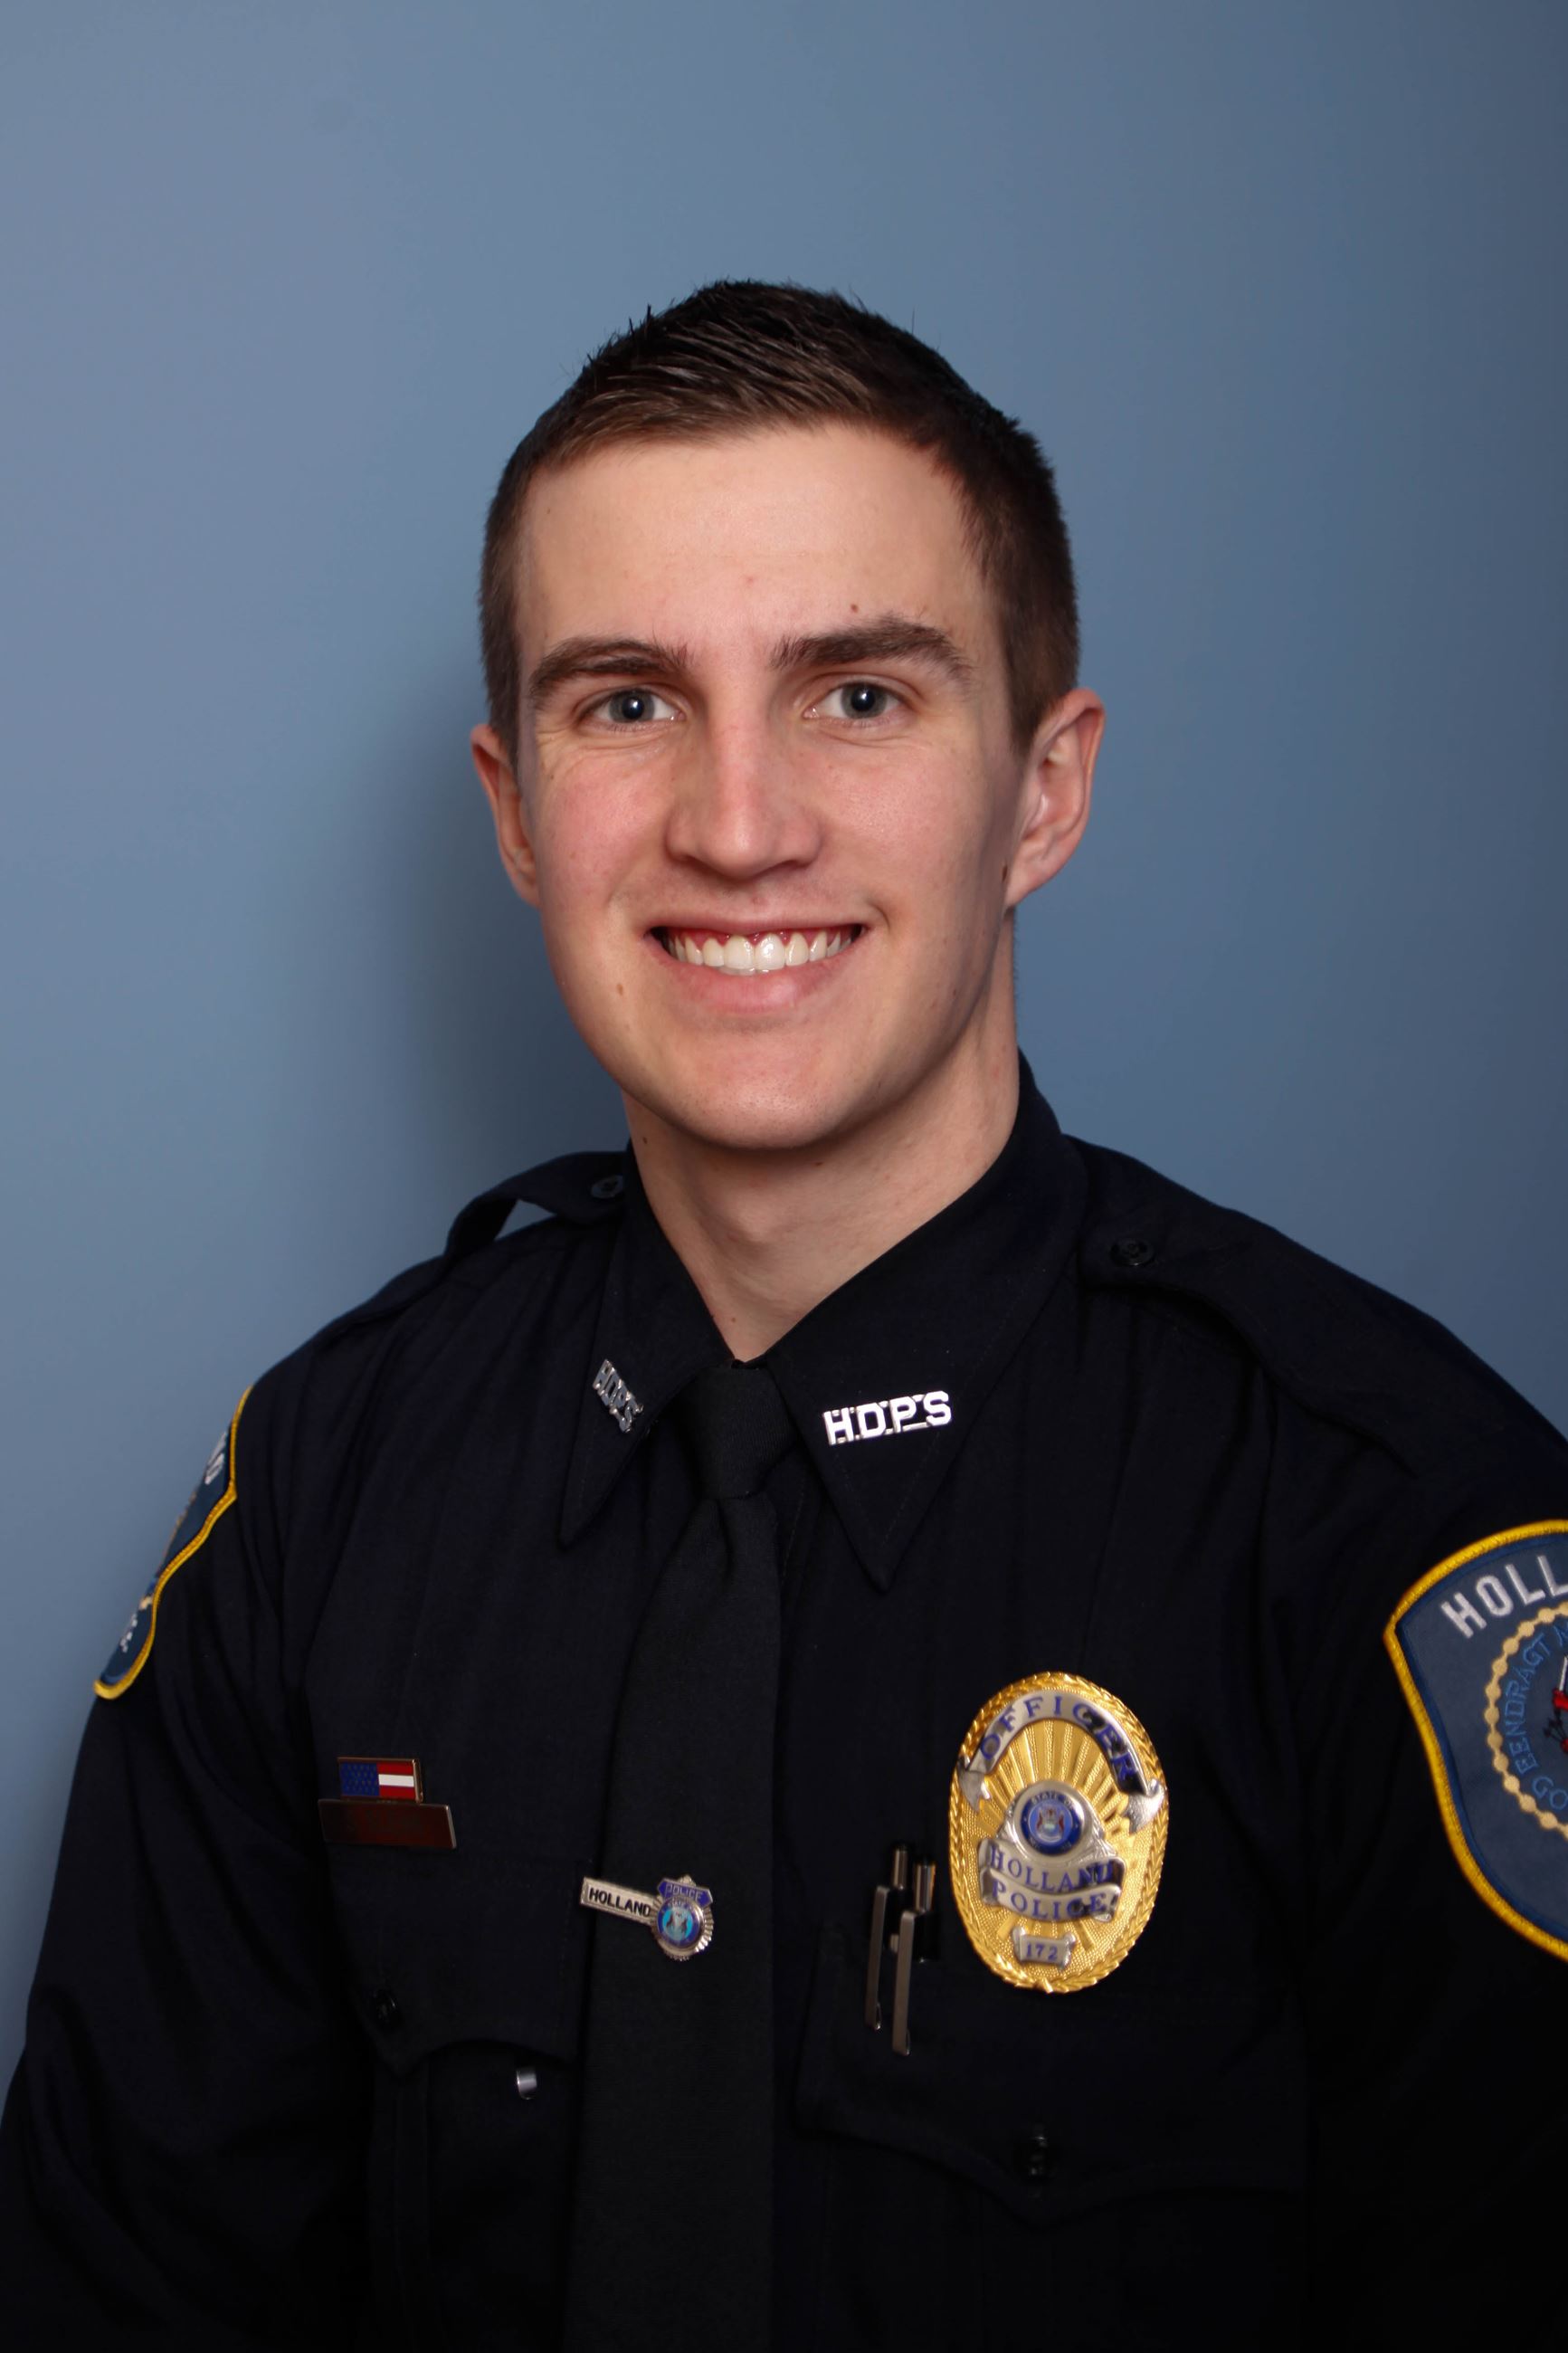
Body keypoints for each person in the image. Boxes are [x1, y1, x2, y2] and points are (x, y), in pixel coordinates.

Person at [3, 279, 1564, 2349]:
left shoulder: (1382, 1533)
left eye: (858, 694)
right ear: (514, 810)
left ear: (1044, 790)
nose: (739, 827)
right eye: (628, 701)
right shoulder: (323, 1497)